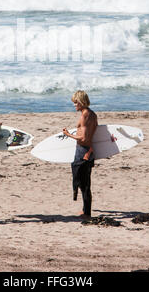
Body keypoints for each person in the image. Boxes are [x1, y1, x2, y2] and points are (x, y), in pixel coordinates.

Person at [63, 90, 98, 219]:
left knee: (83, 183)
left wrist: (68, 135)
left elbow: (83, 138)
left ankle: (87, 213)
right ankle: (85, 210)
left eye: (76, 102)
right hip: (88, 151)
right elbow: (92, 134)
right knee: (86, 183)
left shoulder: (84, 116)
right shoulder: (93, 114)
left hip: (83, 150)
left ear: (82, 102)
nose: (74, 105)